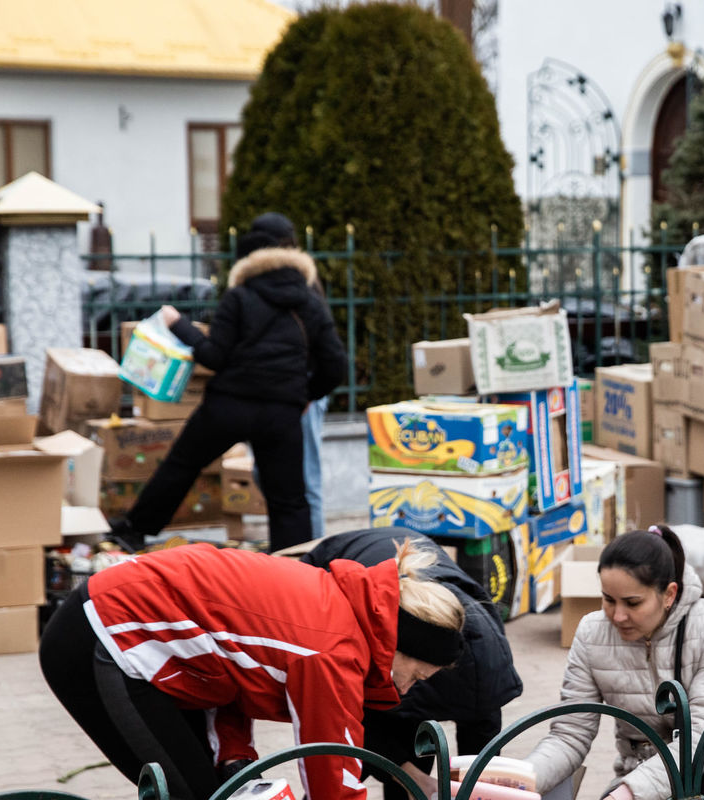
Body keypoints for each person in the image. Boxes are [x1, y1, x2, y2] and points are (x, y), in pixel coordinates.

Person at [39, 540, 465, 800]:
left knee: (221, 785)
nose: (407, 689)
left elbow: (226, 668)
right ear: (396, 644)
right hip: (105, 637)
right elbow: (332, 772)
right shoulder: (333, 650)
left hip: (136, 632)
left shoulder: (342, 608)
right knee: (191, 793)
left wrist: (235, 754)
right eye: (415, 674)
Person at [109, 213, 346, 553]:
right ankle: (298, 563)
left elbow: (214, 356)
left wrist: (180, 325)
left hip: (229, 405)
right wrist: (305, 395)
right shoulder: (310, 301)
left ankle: (134, 531)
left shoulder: (240, 296)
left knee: (182, 465)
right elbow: (335, 366)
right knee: (289, 499)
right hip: (281, 412)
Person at [526, 526, 704, 800]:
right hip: (638, 774)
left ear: (669, 594)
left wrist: (630, 793)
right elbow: (570, 734)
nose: (618, 616)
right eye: (608, 599)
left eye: (632, 603)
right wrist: (520, 780)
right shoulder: (591, 633)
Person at [300, 528, 524, 800]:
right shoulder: (365, 642)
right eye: (416, 675)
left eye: (420, 679)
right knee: (343, 768)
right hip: (329, 572)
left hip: (436, 661)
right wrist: (411, 775)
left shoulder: (485, 675)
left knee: (432, 768)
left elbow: (481, 747)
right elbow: (354, 721)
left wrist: (475, 790)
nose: (406, 688)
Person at [241, 212, 333, 540]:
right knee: (270, 476)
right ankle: (291, 551)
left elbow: (320, 347)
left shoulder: (300, 282)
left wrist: (307, 393)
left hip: (300, 394)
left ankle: (314, 558)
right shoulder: (270, 280)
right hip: (277, 395)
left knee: (304, 480)